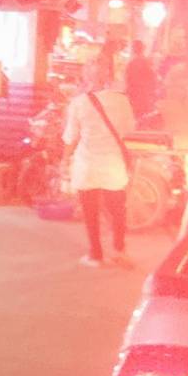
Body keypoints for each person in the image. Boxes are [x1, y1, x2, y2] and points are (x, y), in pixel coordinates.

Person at [63, 57, 136, 268]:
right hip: (113, 163)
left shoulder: (78, 103)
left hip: (88, 164)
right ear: (108, 76)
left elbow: (71, 137)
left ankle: (96, 255)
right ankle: (120, 251)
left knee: (90, 211)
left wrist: (64, 160)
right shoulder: (121, 101)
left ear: (86, 77)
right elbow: (128, 129)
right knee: (117, 210)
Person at [123, 38, 158, 120]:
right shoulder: (146, 62)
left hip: (135, 95)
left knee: (136, 116)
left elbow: (128, 80)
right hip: (143, 95)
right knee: (144, 116)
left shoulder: (131, 63)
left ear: (134, 49)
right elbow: (153, 79)